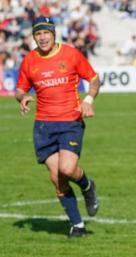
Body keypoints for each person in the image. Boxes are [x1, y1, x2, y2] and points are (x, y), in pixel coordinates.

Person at [15, 17, 100, 238]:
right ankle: (77, 226)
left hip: (70, 121)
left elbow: (93, 79)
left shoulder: (71, 54)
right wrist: (23, 97)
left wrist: (88, 100)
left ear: (53, 34)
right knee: (57, 178)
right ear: (34, 36)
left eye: (46, 33)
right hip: (43, 126)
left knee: (68, 169)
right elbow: (19, 88)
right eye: (38, 34)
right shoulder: (29, 61)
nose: (42, 37)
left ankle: (87, 186)